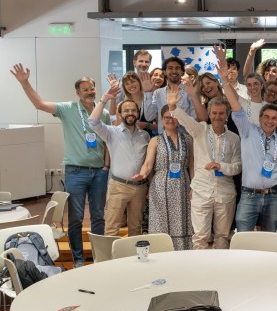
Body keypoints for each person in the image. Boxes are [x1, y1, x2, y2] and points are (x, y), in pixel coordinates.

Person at [10, 64, 110, 268]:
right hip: (76, 172)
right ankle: (78, 260)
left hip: (99, 173)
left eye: (92, 88)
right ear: (78, 93)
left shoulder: (104, 113)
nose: (90, 92)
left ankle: (99, 258)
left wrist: (106, 166)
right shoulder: (67, 109)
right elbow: (39, 104)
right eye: (85, 89)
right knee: (75, 218)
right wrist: (25, 82)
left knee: (99, 217)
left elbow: (108, 140)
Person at [220, 59, 277, 234]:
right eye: (266, 117)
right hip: (249, 196)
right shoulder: (248, 131)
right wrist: (224, 81)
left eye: (274, 118)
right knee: (244, 241)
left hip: (274, 196)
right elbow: (235, 105)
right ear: (260, 119)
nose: (270, 121)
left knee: (269, 241)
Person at [168, 89, 242, 249]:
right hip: (201, 191)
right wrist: (173, 106)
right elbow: (184, 119)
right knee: (200, 237)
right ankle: (199, 265)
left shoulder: (234, 138)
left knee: (222, 236)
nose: (217, 116)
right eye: (214, 113)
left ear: (227, 115)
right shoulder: (200, 129)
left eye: (221, 113)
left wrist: (221, 166)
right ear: (209, 114)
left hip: (225, 193)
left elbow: (237, 167)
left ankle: (219, 265)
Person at [88, 81, 151, 237]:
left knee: (136, 229)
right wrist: (104, 99)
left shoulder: (145, 136)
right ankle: (110, 254)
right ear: (120, 114)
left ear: (138, 113)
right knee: (112, 228)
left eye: (133, 110)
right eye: (126, 110)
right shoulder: (111, 132)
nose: (130, 113)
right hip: (119, 186)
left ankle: (132, 254)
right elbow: (93, 122)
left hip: (140, 188)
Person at [133, 105, 193, 250]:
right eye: (167, 117)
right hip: (161, 186)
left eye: (173, 117)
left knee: (182, 222)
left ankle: (182, 256)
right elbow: (148, 163)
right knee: (161, 222)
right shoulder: (156, 140)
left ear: (178, 119)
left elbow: (192, 165)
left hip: (183, 186)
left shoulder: (188, 139)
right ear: (161, 119)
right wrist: (143, 174)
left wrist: (193, 186)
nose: (170, 120)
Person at [143, 57, 201, 133]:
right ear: (164, 72)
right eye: (170, 68)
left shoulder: (189, 91)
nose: (174, 71)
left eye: (177, 68)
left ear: (182, 72)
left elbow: (194, 120)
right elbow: (149, 117)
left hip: (186, 137)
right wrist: (148, 93)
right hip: (163, 137)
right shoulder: (158, 93)